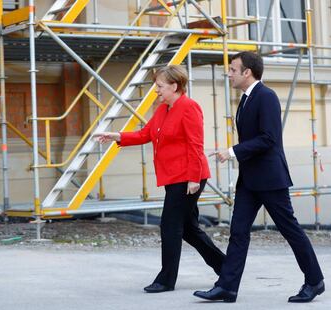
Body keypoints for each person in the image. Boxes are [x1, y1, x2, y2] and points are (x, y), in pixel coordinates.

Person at [193, 52, 324, 303]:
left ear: (247, 72)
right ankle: (227, 287)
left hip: (270, 178)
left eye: (233, 69)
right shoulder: (245, 99)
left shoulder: (266, 97)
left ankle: (314, 280)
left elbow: (268, 138)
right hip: (250, 180)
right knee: (238, 232)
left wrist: (232, 152)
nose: (229, 73)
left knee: (290, 230)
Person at [95, 65, 225, 293]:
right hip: (174, 176)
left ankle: (166, 280)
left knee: (170, 226)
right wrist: (117, 136)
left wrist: (193, 178)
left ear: (174, 86)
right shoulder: (164, 109)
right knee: (188, 228)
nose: (156, 90)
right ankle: (226, 267)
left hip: (188, 178)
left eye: (160, 86)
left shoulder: (189, 107)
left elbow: (196, 145)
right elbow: (146, 134)